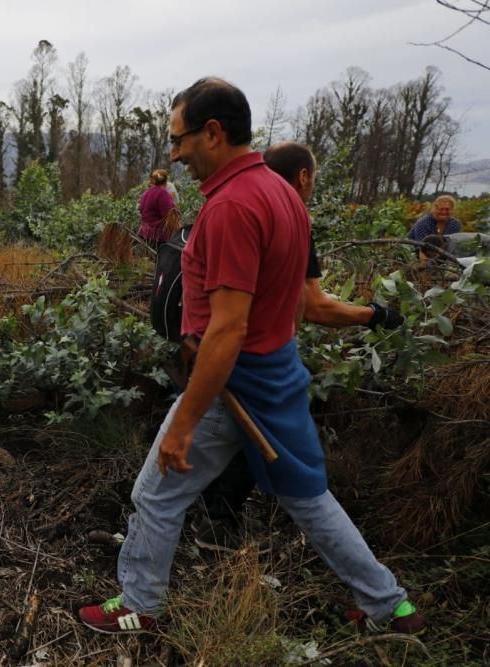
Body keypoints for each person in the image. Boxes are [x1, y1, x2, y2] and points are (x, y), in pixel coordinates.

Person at [78, 78, 423, 635]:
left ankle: (140, 605)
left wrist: (184, 423)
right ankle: (390, 606)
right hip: (278, 375)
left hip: (235, 383)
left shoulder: (233, 207)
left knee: (155, 494)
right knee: (308, 497)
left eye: (179, 138)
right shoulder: (281, 192)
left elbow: (229, 329)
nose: (174, 154)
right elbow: (280, 305)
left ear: (212, 133)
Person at [193, 141, 404, 553]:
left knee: (215, 441)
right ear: (304, 177)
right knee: (277, 456)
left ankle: (206, 518)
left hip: (216, 351)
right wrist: (374, 315)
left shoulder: (238, 205)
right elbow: (314, 307)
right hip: (256, 360)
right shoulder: (289, 215)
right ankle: (217, 525)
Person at [138, 168, 178, 249]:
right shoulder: (163, 193)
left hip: (144, 233)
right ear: (166, 181)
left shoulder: (146, 193)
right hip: (157, 237)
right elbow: (168, 215)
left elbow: (141, 209)